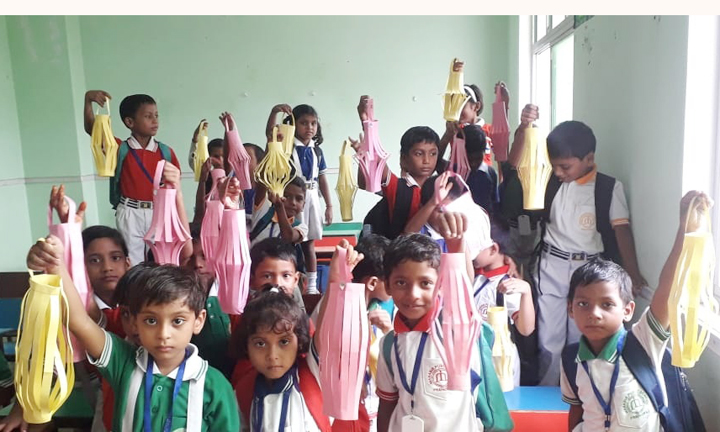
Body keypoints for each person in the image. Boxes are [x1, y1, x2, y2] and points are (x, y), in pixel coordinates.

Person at [26, 240, 240, 431]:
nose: (163, 334)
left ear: (198, 321)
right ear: (135, 322)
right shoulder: (124, 363)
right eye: (151, 321)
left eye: (177, 321)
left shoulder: (215, 385)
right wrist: (55, 266)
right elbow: (78, 320)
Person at [561, 190, 709, 431]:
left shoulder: (643, 342)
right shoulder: (570, 358)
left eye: (607, 304)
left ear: (628, 310)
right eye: (583, 304)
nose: (594, 313)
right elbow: (577, 408)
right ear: (570, 309)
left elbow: (668, 290)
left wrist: (685, 229)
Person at [526, 120, 647, 386]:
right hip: (552, 265)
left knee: (580, 335)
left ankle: (579, 390)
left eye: (565, 166)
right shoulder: (550, 183)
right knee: (549, 338)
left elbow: (621, 231)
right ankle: (548, 392)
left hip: (588, 271)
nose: (558, 172)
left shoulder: (607, 188)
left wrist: (632, 272)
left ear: (589, 159)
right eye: (554, 166)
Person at [375, 225, 504, 432]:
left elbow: (462, 300)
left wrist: (456, 251)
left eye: (425, 283)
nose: (413, 294)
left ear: (442, 284)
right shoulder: (388, 344)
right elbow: (387, 403)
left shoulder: (456, 331)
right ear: (388, 286)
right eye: (401, 283)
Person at [83, 90, 184, 266]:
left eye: (156, 115)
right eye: (148, 116)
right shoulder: (119, 148)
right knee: (132, 261)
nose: (155, 121)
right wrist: (88, 101)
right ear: (129, 122)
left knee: (162, 260)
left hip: (158, 211)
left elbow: (174, 187)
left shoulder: (166, 152)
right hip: (130, 211)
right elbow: (94, 130)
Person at [265, 104, 332, 294]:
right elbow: (270, 135)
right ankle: (285, 279)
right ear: (293, 125)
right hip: (291, 196)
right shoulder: (287, 146)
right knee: (288, 238)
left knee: (309, 242)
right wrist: (274, 112)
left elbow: (323, 179)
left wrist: (329, 205)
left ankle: (311, 286)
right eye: (304, 123)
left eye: (313, 123)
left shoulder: (317, 151)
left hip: (311, 196)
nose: (309, 127)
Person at [353, 98, 440, 240]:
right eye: (419, 154)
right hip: (400, 250)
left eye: (433, 154)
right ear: (404, 158)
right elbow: (378, 160)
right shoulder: (399, 187)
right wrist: (367, 124)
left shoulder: (439, 188)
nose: (427, 160)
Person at [472, 226, 535, 387]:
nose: (470, 250)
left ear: (494, 249)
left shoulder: (509, 285)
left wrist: (526, 293)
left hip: (500, 360)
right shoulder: (475, 277)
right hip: (474, 355)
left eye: (476, 246)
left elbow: (526, 329)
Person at [250, 176, 309, 247]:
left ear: (303, 205)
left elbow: (288, 237)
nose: (293, 202)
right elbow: (262, 184)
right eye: (287, 196)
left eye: (299, 199)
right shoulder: (264, 211)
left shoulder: (301, 227)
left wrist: (279, 206)